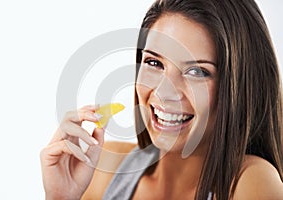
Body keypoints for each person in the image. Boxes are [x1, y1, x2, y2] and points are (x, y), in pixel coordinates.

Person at [40, 0, 283, 199]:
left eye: (197, 71)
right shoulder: (104, 168)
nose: (164, 93)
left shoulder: (252, 181)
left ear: (239, 86)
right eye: (154, 63)